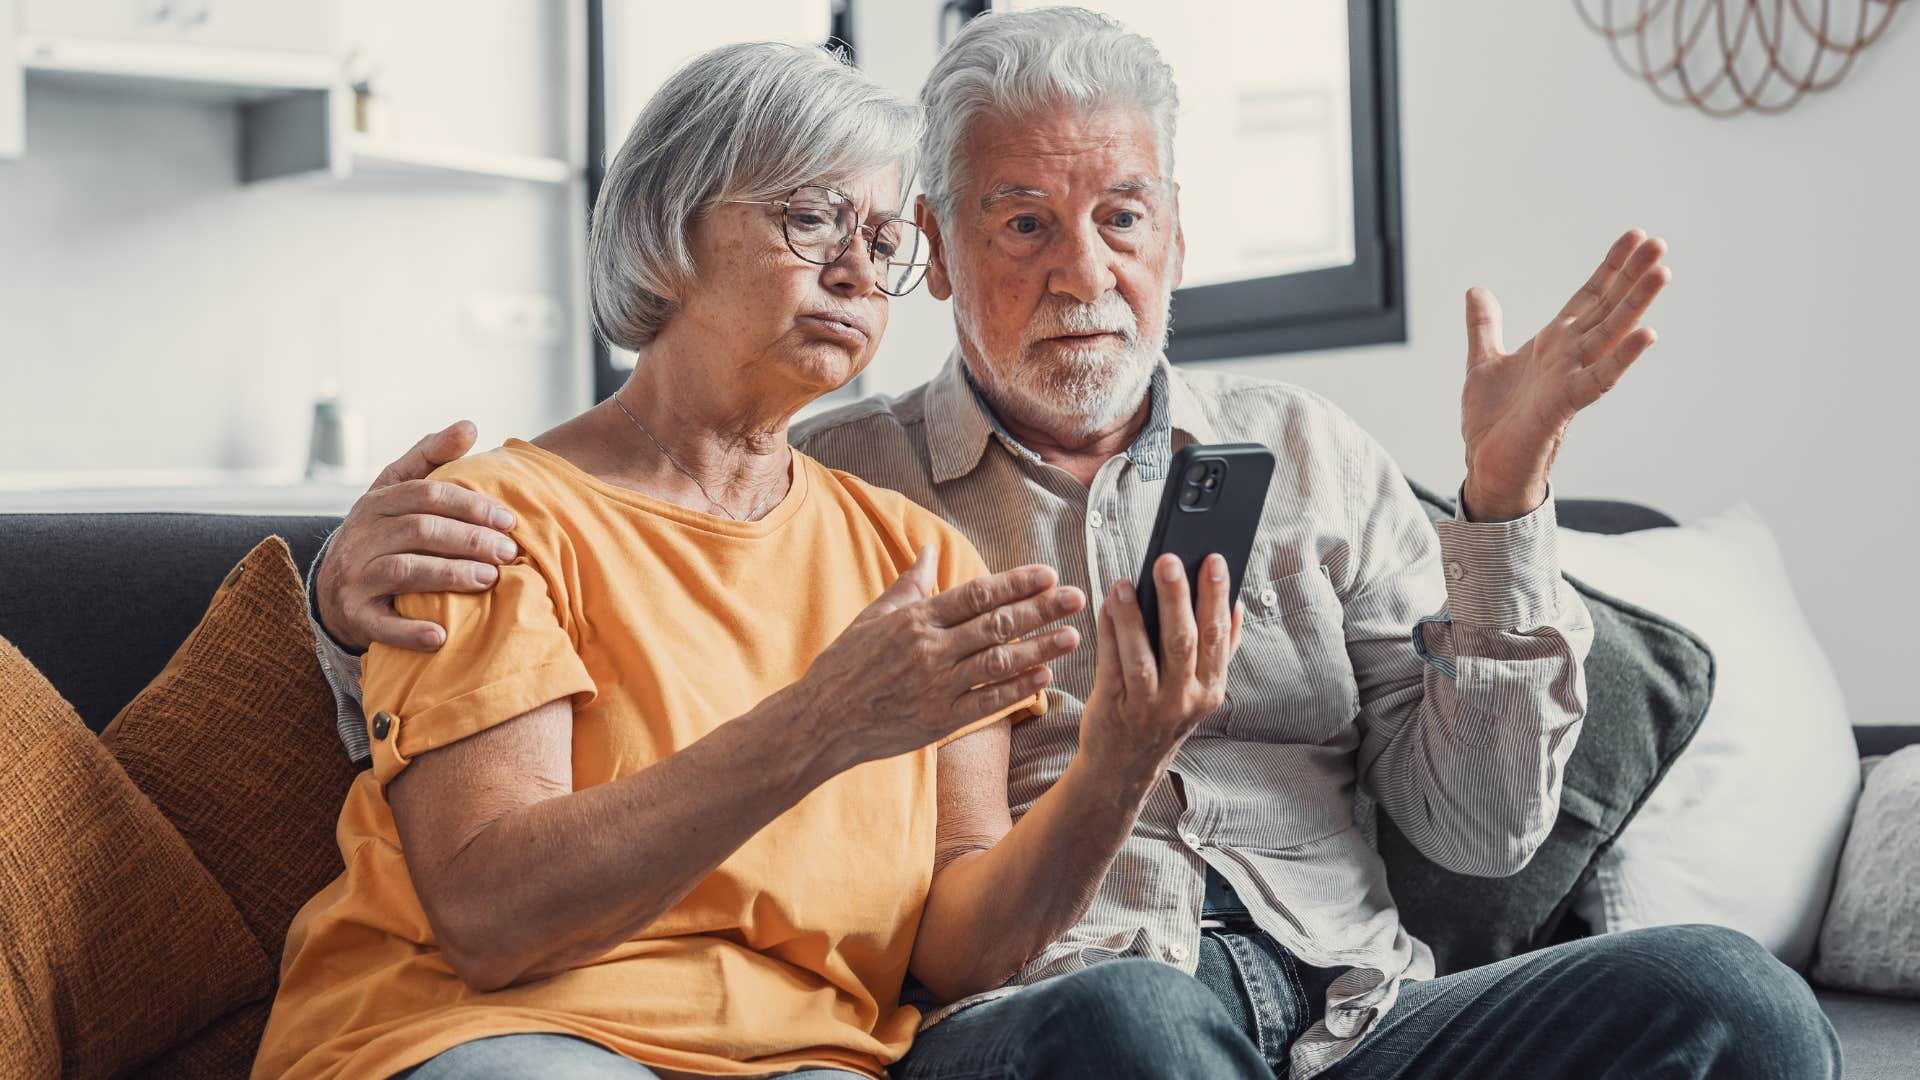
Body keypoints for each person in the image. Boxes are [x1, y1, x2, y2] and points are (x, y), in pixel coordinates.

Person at [307, 8, 1841, 1079]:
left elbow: (1488, 837)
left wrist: (1498, 510)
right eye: (1020, 220)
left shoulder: (1305, 457)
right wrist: (336, 585)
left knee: (1731, 1000)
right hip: (1075, 1019)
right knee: (1134, 1023)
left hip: (1361, 1014)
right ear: (956, 252)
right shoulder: (849, 482)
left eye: (1121, 216)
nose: (1080, 270)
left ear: (1176, 237)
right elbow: (611, 552)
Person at [253, 39, 1235, 1080]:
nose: (858, 270)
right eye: (811, 219)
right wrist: (821, 722)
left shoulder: (919, 558)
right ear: (671, 228)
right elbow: (492, 916)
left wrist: (1118, 765)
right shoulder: (492, 519)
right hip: (490, 1034)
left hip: (806, 1059)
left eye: (882, 237)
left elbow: (957, 952)